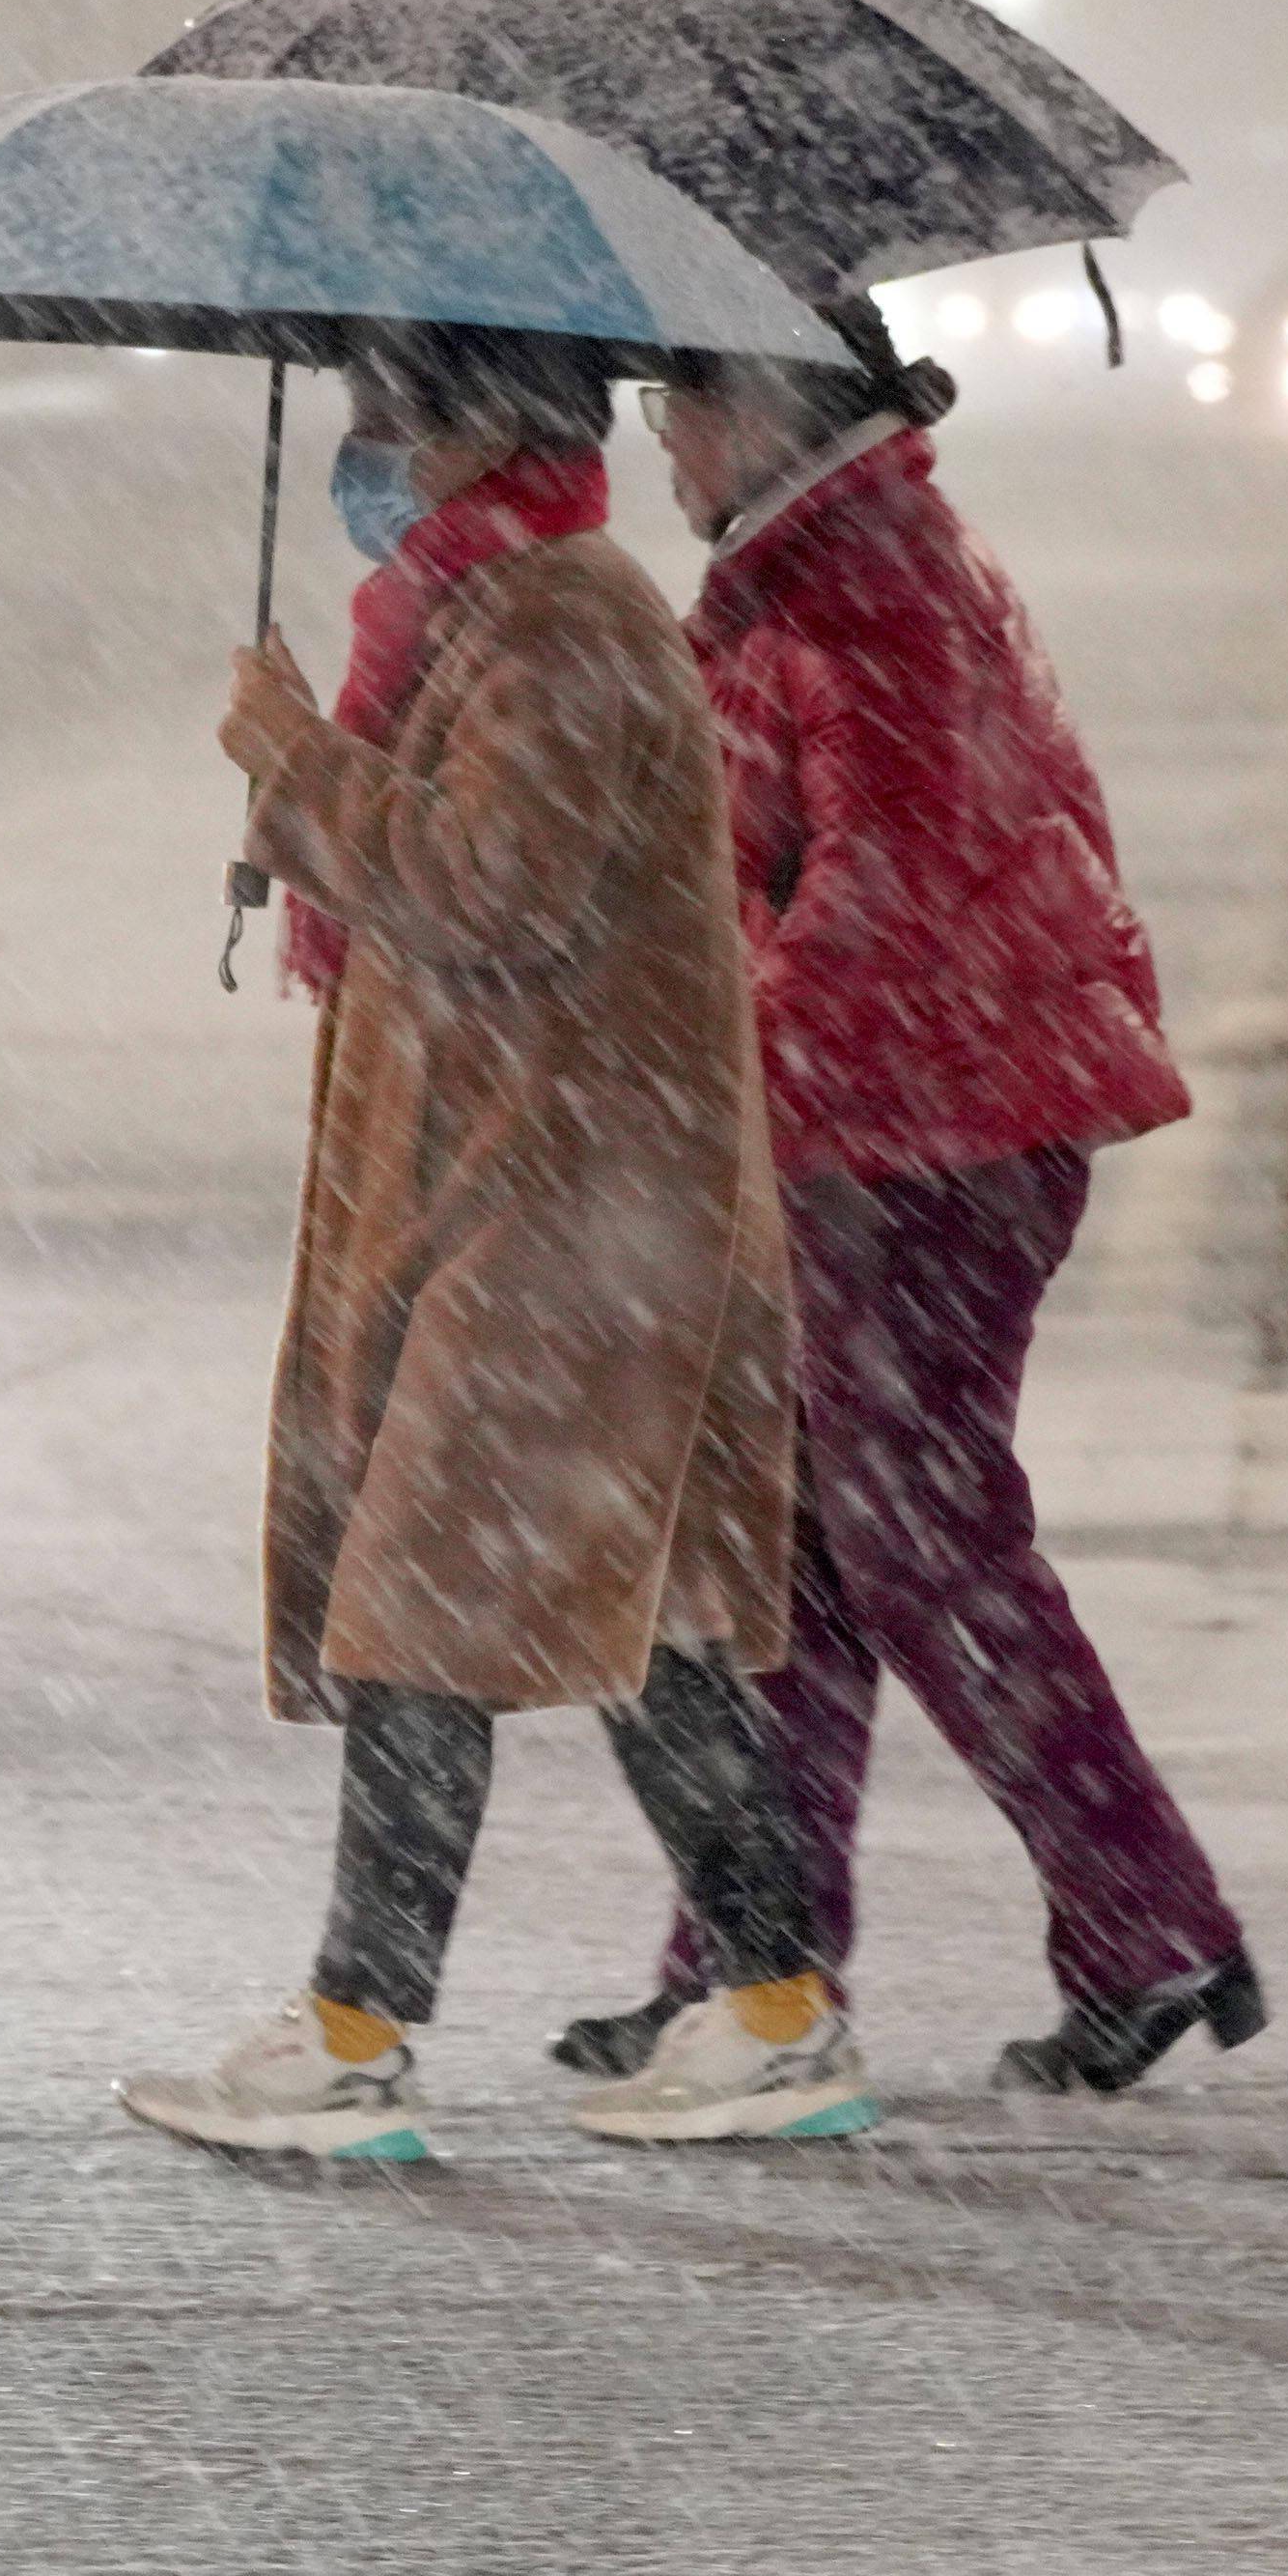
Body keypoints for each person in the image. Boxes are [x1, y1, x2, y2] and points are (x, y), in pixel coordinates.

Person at [119, 321, 865, 2162]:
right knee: (650, 1630)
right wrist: (314, 782)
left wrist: (297, 767)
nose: (365, 450)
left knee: (419, 1619)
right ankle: (776, 2012)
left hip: (568, 1215)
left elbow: (489, 888)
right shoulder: (506, 613)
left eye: (388, 416)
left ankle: (358, 2035)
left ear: (476, 431)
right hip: (559, 1199)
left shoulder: (561, 625)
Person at [556, 318, 1266, 2099]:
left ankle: (1138, 1922)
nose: (661, 446)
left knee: (918, 1548)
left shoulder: (862, 591)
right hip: (900, 1126)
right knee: (813, 1559)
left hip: (926, 1142)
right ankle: (758, 1960)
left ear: (756, 409)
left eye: (673, 408)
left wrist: (742, 1082)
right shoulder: (833, 569)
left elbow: (884, 888)